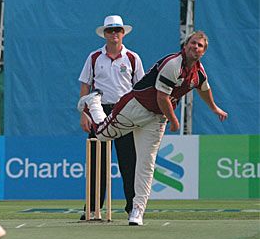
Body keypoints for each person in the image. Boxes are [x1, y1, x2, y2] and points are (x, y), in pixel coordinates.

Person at [83, 31, 228, 226]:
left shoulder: (199, 72)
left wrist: (214, 107)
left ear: (204, 51)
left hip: (156, 118)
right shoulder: (173, 64)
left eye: (200, 45)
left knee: (146, 163)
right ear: (185, 46)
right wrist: (174, 120)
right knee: (101, 135)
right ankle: (94, 103)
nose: (195, 47)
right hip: (136, 107)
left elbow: (204, 88)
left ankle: (137, 211)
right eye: (193, 43)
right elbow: (162, 97)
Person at [77, 15, 144, 220]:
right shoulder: (94, 57)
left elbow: (140, 88)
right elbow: (85, 86)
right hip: (99, 111)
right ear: (104, 34)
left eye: (117, 30)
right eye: (110, 30)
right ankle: (93, 209)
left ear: (123, 33)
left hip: (125, 111)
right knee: (97, 161)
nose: (114, 33)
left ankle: (133, 208)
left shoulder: (132, 57)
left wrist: (139, 116)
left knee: (129, 162)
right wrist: (84, 113)